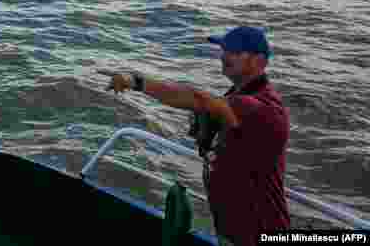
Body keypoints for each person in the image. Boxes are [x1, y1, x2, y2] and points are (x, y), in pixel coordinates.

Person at [100, 26, 290, 246]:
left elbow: (197, 98)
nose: (224, 56)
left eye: (235, 52)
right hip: (233, 230)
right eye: (224, 50)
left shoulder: (259, 106)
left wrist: (136, 81)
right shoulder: (237, 95)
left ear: (258, 61)